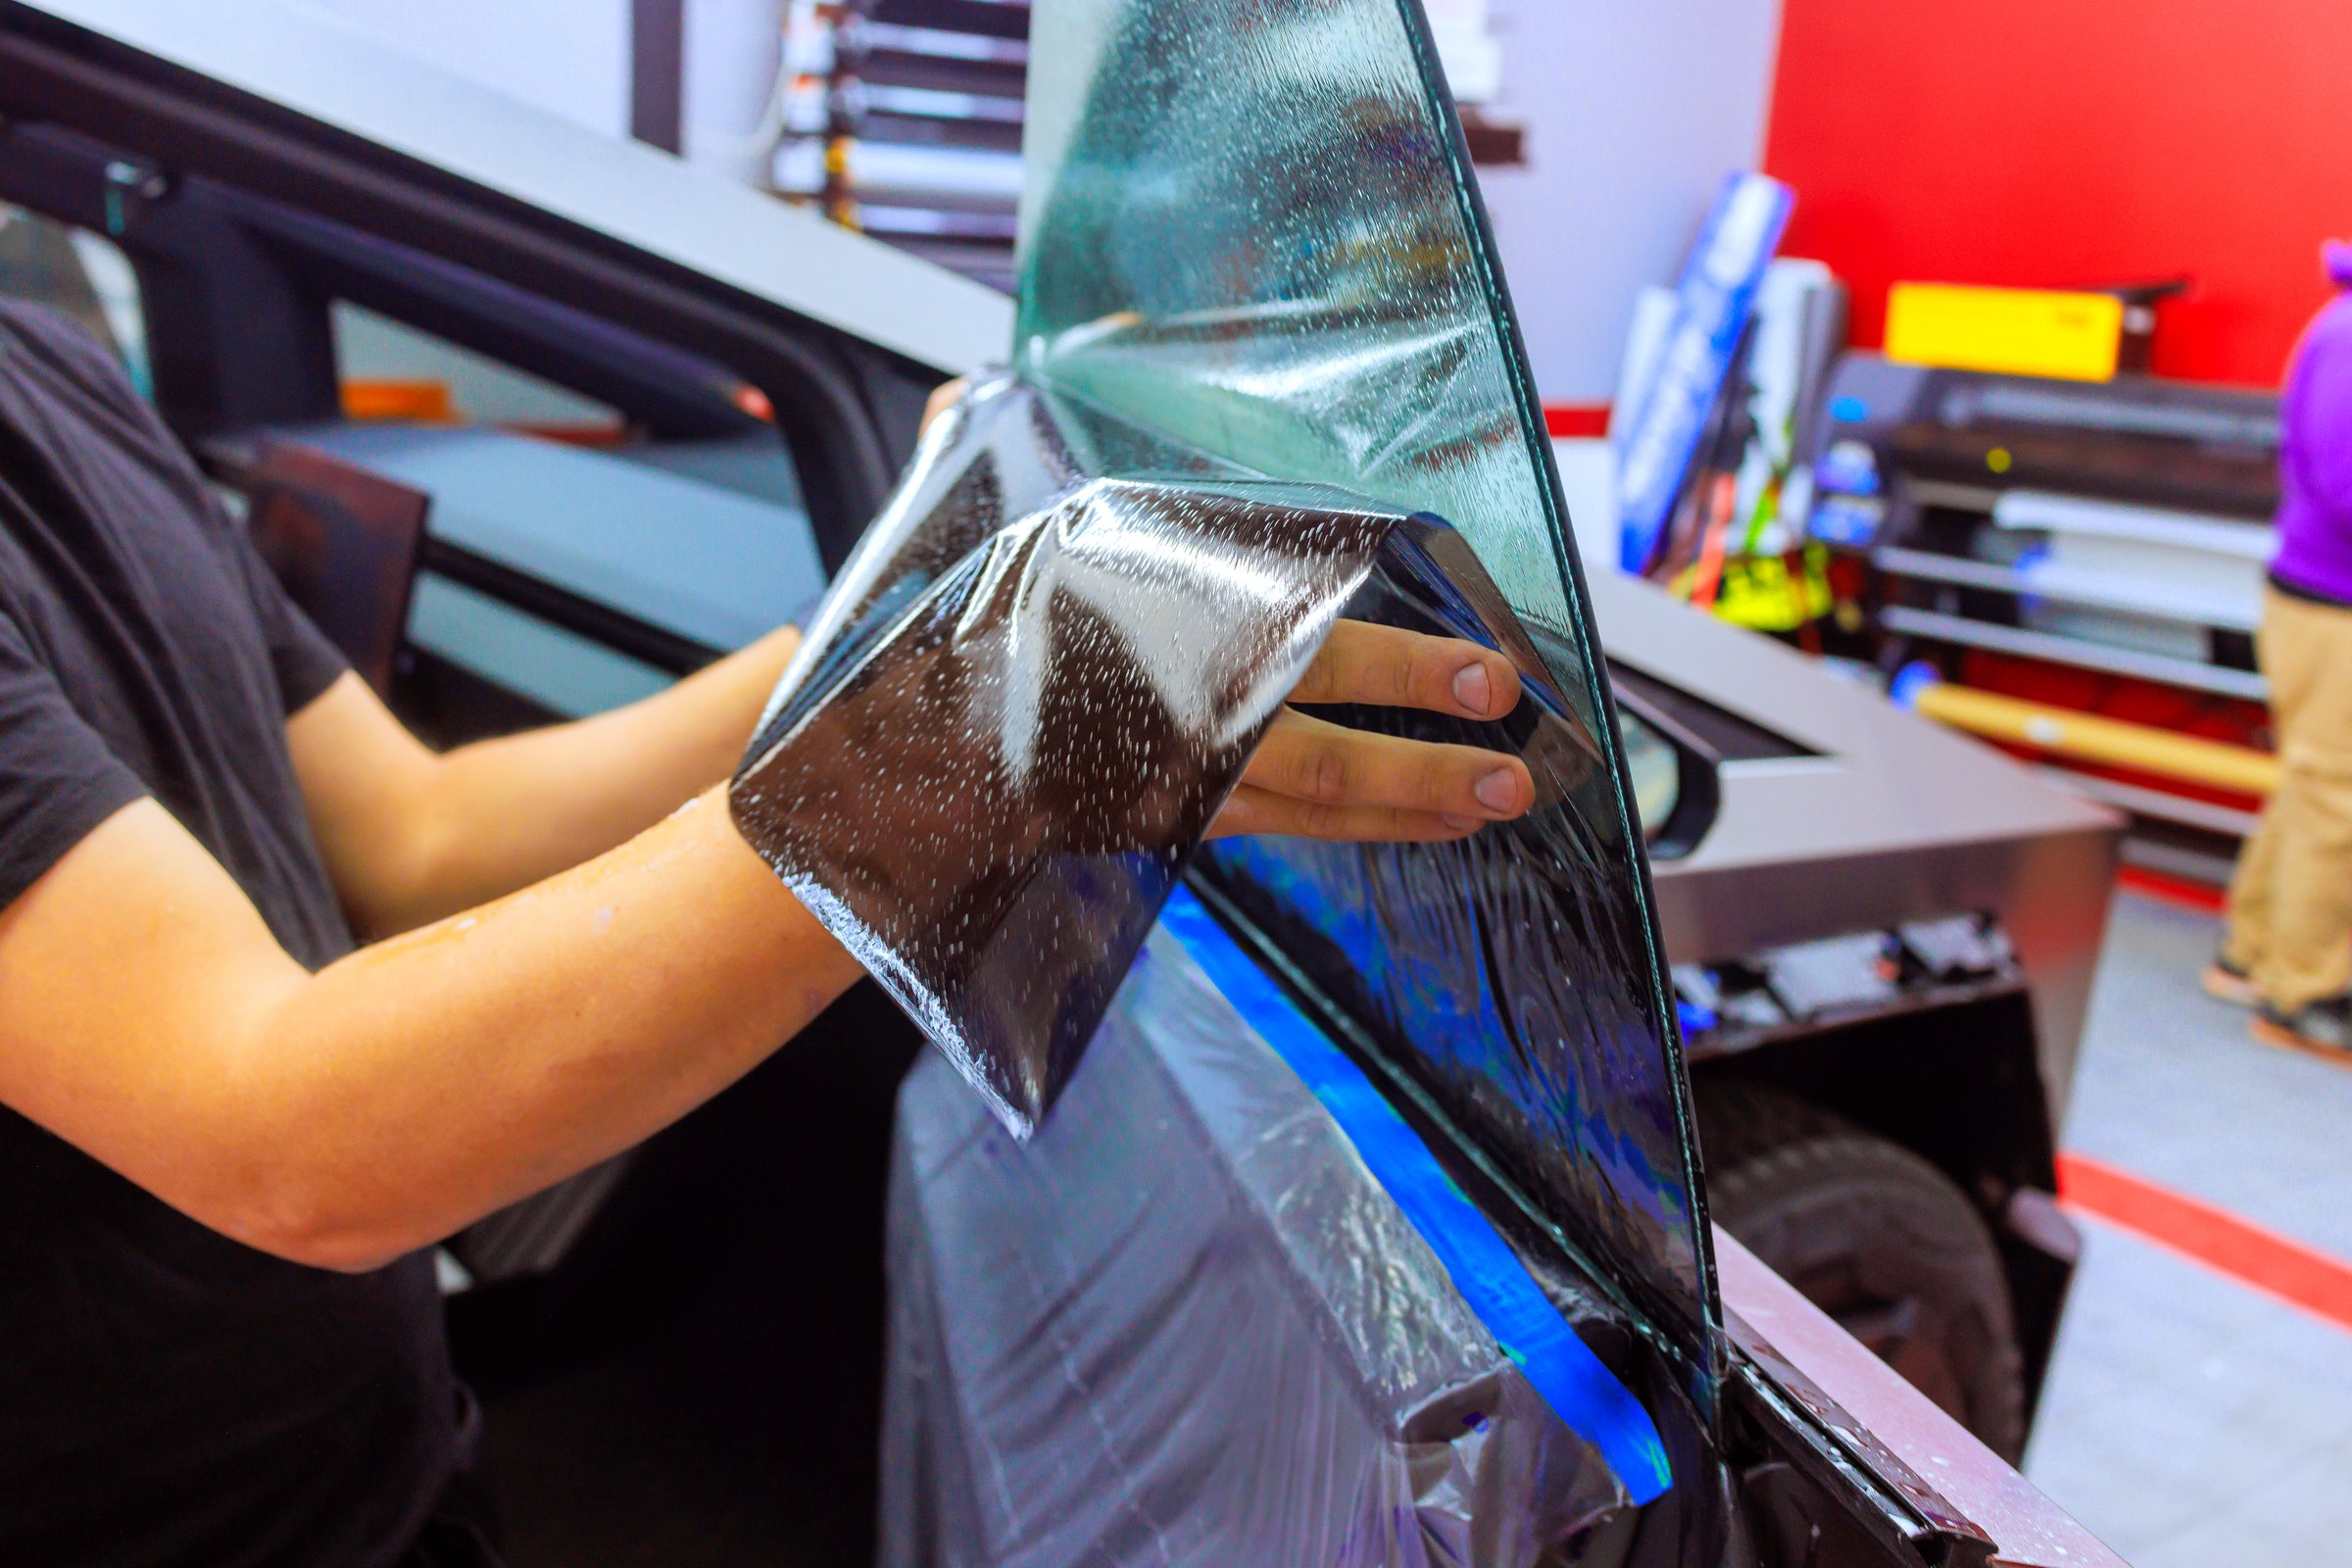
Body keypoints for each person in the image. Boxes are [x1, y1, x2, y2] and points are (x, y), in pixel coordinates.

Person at [0, 305, 1538, 1566]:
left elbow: (420, 834)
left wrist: (908, 623)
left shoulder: (52, 367)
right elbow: (281, 1136)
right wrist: (969, 739)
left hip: (373, 1474)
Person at [2207, 243, 2352, 1060]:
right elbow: (2347, 478)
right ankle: (2307, 993)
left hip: (2323, 596)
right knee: (2337, 797)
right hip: (2334, 603)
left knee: (2313, 783)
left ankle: (2252, 953)